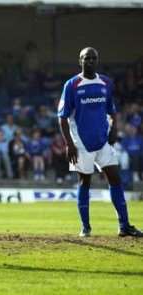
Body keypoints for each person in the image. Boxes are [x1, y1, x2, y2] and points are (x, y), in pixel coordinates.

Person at [57, 47, 142, 238]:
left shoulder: (106, 82)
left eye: (93, 58)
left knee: (115, 178)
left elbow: (111, 111)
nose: (90, 61)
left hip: (102, 141)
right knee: (84, 181)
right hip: (81, 144)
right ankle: (85, 227)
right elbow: (62, 118)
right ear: (80, 61)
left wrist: (114, 129)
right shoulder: (72, 84)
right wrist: (69, 144)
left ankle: (124, 225)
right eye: (86, 58)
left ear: (97, 60)